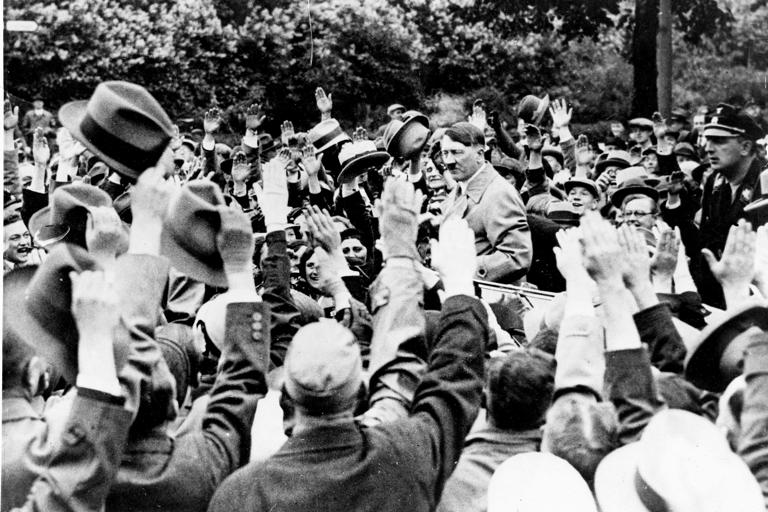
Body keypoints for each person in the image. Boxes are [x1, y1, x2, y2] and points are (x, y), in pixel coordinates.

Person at [209, 180, 490, 512]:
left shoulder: (241, 493)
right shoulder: (405, 455)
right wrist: (447, 278)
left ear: (284, 400)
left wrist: (242, 273)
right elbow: (448, 378)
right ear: (360, 393)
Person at [439, 122, 532, 283]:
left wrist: (461, 272)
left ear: (480, 154)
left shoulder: (499, 193)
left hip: (493, 299)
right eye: (445, 153)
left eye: (456, 152)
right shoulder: (459, 190)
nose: (449, 161)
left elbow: (517, 257)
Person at [698, 103, 766, 307]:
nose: (708, 148)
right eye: (708, 140)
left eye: (719, 141)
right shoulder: (714, 181)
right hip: (717, 294)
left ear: (745, 147)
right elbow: (707, 239)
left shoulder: (765, 181)